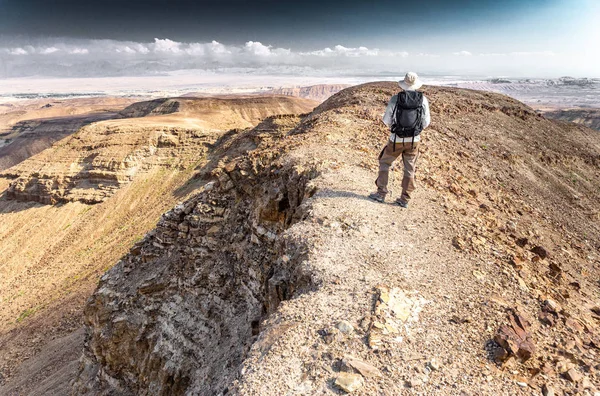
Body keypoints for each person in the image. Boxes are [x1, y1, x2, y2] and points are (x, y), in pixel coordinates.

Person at [369, 72, 430, 208]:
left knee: (385, 162)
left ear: (403, 84)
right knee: (409, 168)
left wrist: (396, 128)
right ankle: (404, 199)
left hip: (396, 140)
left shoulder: (395, 99)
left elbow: (386, 120)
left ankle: (381, 193)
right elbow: (426, 122)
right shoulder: (423, 99)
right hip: (414, 140)